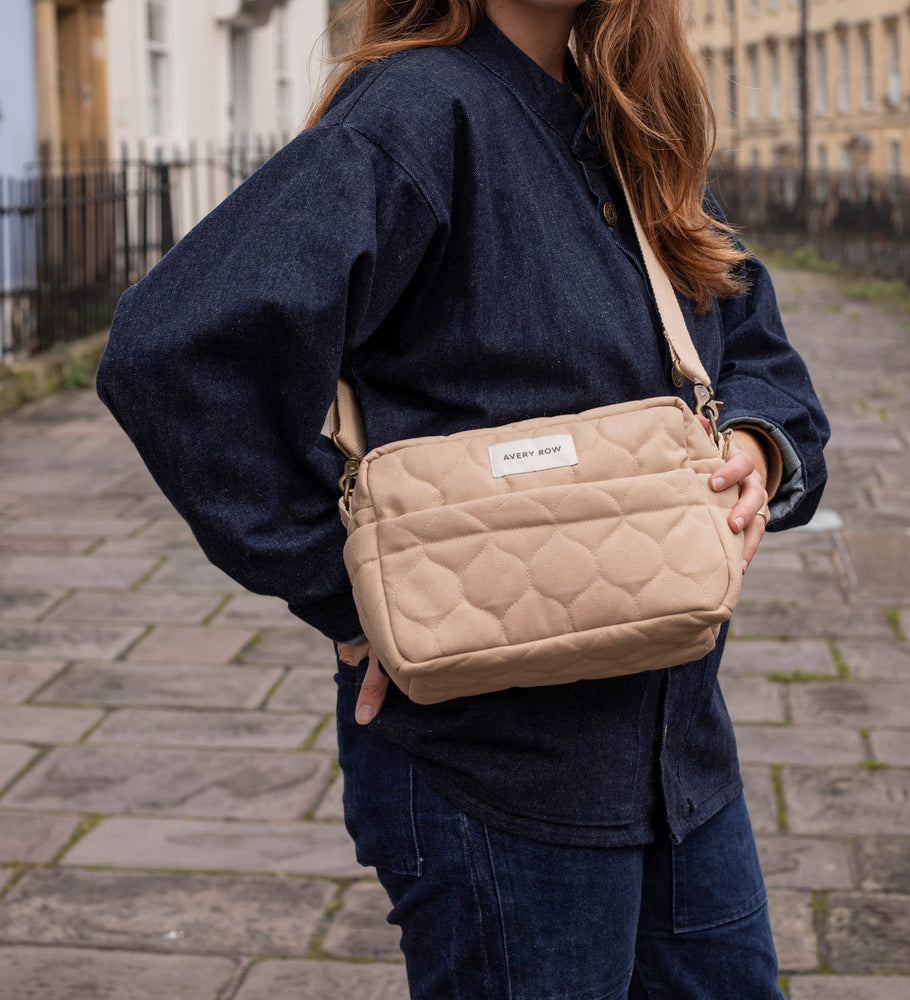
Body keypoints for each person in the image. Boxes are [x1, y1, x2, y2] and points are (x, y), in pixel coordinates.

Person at [96, 0, 829, 994]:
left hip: (677, 759)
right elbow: (172, 353)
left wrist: (755, 440)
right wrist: (347, 590)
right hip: (495, 776)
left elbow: (748, 338)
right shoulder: (415, 111)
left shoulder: (620, 120)